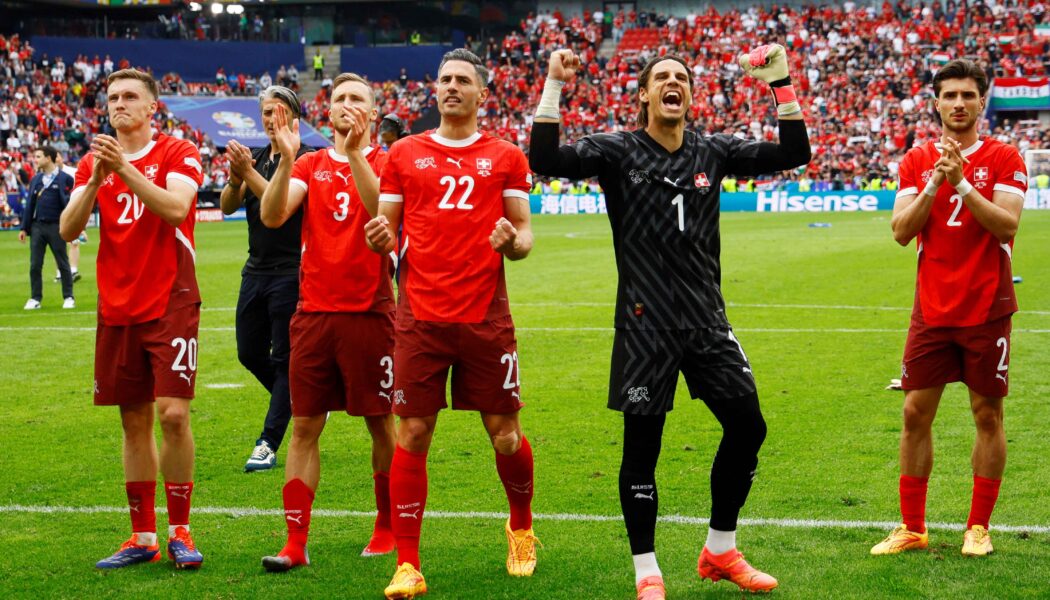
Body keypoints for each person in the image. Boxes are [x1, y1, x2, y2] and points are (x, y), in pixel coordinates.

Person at [529, 46, 811, 598]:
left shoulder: (714, 150)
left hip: (707, 322)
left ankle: (721, 550)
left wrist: (779, 80)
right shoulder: (617, 150)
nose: (672, 83)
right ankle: (647, 572)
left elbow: (794, 152)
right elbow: (545, 160)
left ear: (690, 94)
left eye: (681, 77)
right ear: (644, 95)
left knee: (749, 427)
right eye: (661, 78)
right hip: (645, 326)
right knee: (643, 450)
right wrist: (555, 85)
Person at [361, 48, 537, 599]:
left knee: (505, 434)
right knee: (413, 431)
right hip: (419, 317)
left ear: (482, 94)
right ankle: (408, 564)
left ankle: (521, 527)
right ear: (434, 91)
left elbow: (525, 234)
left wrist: (514, 244)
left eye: (463, 80)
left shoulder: (505, 156)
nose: (452, 87)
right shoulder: (404, 154)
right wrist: (380, 238)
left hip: (487, 317)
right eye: (445, 80)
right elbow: (385, 227)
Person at [873, 59, 1026, 558]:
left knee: (987, 415)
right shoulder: (916, 160)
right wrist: (937, 182)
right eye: (950, 95)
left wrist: (962, 183)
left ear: (983, 101)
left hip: (988, 308)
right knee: (915, 413)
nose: (958, 103)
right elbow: (900, 232)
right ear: (936, 102)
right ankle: (912, 527)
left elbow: (1006, 226)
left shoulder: (1006, 157)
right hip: (931, 311)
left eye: (968, 94)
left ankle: (977, 527)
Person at [59, 68, 205, 570]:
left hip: (171, 298)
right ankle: (142, 535)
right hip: (117, 304)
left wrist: (122, 170)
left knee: (173, 413)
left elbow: (176, 207)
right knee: (134, 418)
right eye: (113, 97)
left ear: (151, 108)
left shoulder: (178, 152)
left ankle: (181, 530)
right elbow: (67, 228)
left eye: (129, 97)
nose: (119, 104)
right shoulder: (91, 163)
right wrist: (97, 178)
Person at [257, 72, 397, 571]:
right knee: (304, 427)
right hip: (313, 313)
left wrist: (356, 152)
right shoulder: (310, 164)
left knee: (381, 425)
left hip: (371, 313)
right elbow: (273, 216)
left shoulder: (386, 160)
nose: (347, 105)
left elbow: (381, 209)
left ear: (373, 114)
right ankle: (295, 543)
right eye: (339, 98)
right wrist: (288, 158)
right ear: (328, 109)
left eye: (358, 98)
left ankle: (385, 527)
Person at [219, 86, 310, 473]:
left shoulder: (308, 160)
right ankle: (297, 398)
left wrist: (250, 173)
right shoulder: (255, 157)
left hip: (292, 272)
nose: (272, 120)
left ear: (295, 118)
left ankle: (268, 442)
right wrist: (235, 178)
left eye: (279, 112)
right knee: (248, 352)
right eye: (266, 114)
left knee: (285, 358)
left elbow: (281, 209)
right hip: (254, 269)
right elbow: (227, 207)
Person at [21, 145, 75, 310]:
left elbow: (69, 203)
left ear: (48, 158)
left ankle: (68, 297)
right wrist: (25, 228)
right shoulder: (36, 180)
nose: (35, 160)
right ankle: (35, 298)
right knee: (35, 264)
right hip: (38, 226)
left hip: (56, 226)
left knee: (63, 263)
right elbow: (30, 204)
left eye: (38, 156)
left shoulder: (65, 178)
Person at [54, 153, 84, 284]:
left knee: (74, 242)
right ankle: (60, 272)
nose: (56, 159)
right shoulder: (49, 174)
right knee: (57, 244)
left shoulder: (72, 172)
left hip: (72, 211)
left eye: (58, 156)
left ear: (62, 158)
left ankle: (73, 270)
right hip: (56, 213)